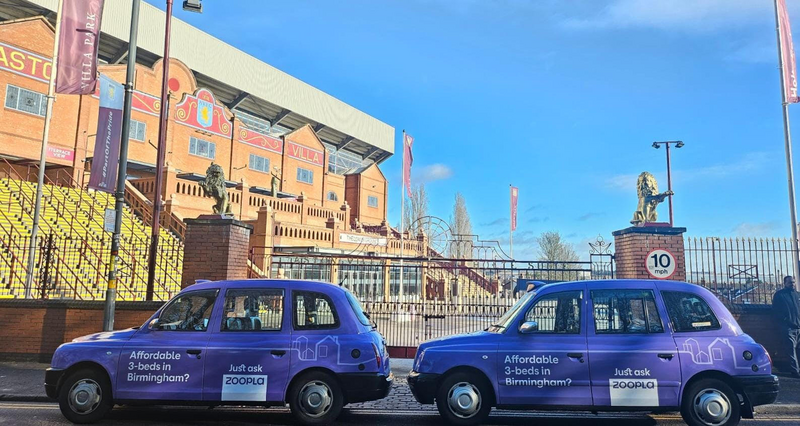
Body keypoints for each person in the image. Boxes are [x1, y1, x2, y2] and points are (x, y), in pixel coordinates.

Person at [773, 275, 800, 378]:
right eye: (790, 282)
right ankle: (795, 371)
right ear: (785, 283)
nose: (792, 284)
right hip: (788, 327)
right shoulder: (779, 295)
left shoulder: (797, 295)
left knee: (797, 350)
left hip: (798, 327)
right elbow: (776, 311)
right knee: (791, 350)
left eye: (793, 282)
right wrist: (785, 321)